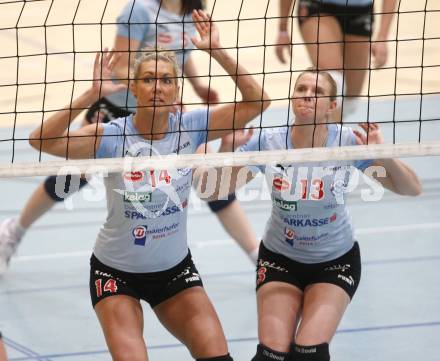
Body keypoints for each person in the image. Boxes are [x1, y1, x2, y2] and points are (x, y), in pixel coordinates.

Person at [28, 9, 270, 361]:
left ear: (176, 90)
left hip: (174, 272)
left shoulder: (192, 127)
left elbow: (258, 102)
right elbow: (41, 141)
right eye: (148, 79)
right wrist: (90, 95)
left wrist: (217, 52)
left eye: (167, 80)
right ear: (134, 89)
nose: (157, 87)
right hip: (115, 275)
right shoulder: (110, 136)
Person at [0, 0, 260, 275]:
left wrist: (197, 85)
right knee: (72, 177)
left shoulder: (190, 11)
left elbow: (181, 54)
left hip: (165, 112)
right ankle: (13, 231)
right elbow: (122, 66)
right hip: (117, 110)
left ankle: (255, 253)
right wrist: (152, 83)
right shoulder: (139, 10)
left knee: (205, 178)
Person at [205, 69, 421, 361]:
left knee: (310, 353)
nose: (307, 94)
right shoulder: (270, 142)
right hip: (280, 259)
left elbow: (411, 188)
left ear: (332, 106)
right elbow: (215, 190)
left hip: (334, 262)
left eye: (317, 91)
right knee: (270, 355)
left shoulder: (346, 143)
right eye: (301, 88)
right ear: (293, 98)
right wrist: (229, 151)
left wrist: (383, 153)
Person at [275, 0, 396, 118]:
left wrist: (382, 37)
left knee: (350, 100)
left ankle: (326, 131)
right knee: (334, 82)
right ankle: (325, 136)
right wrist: (283, 29)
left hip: (360, 10)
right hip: (317, 7)